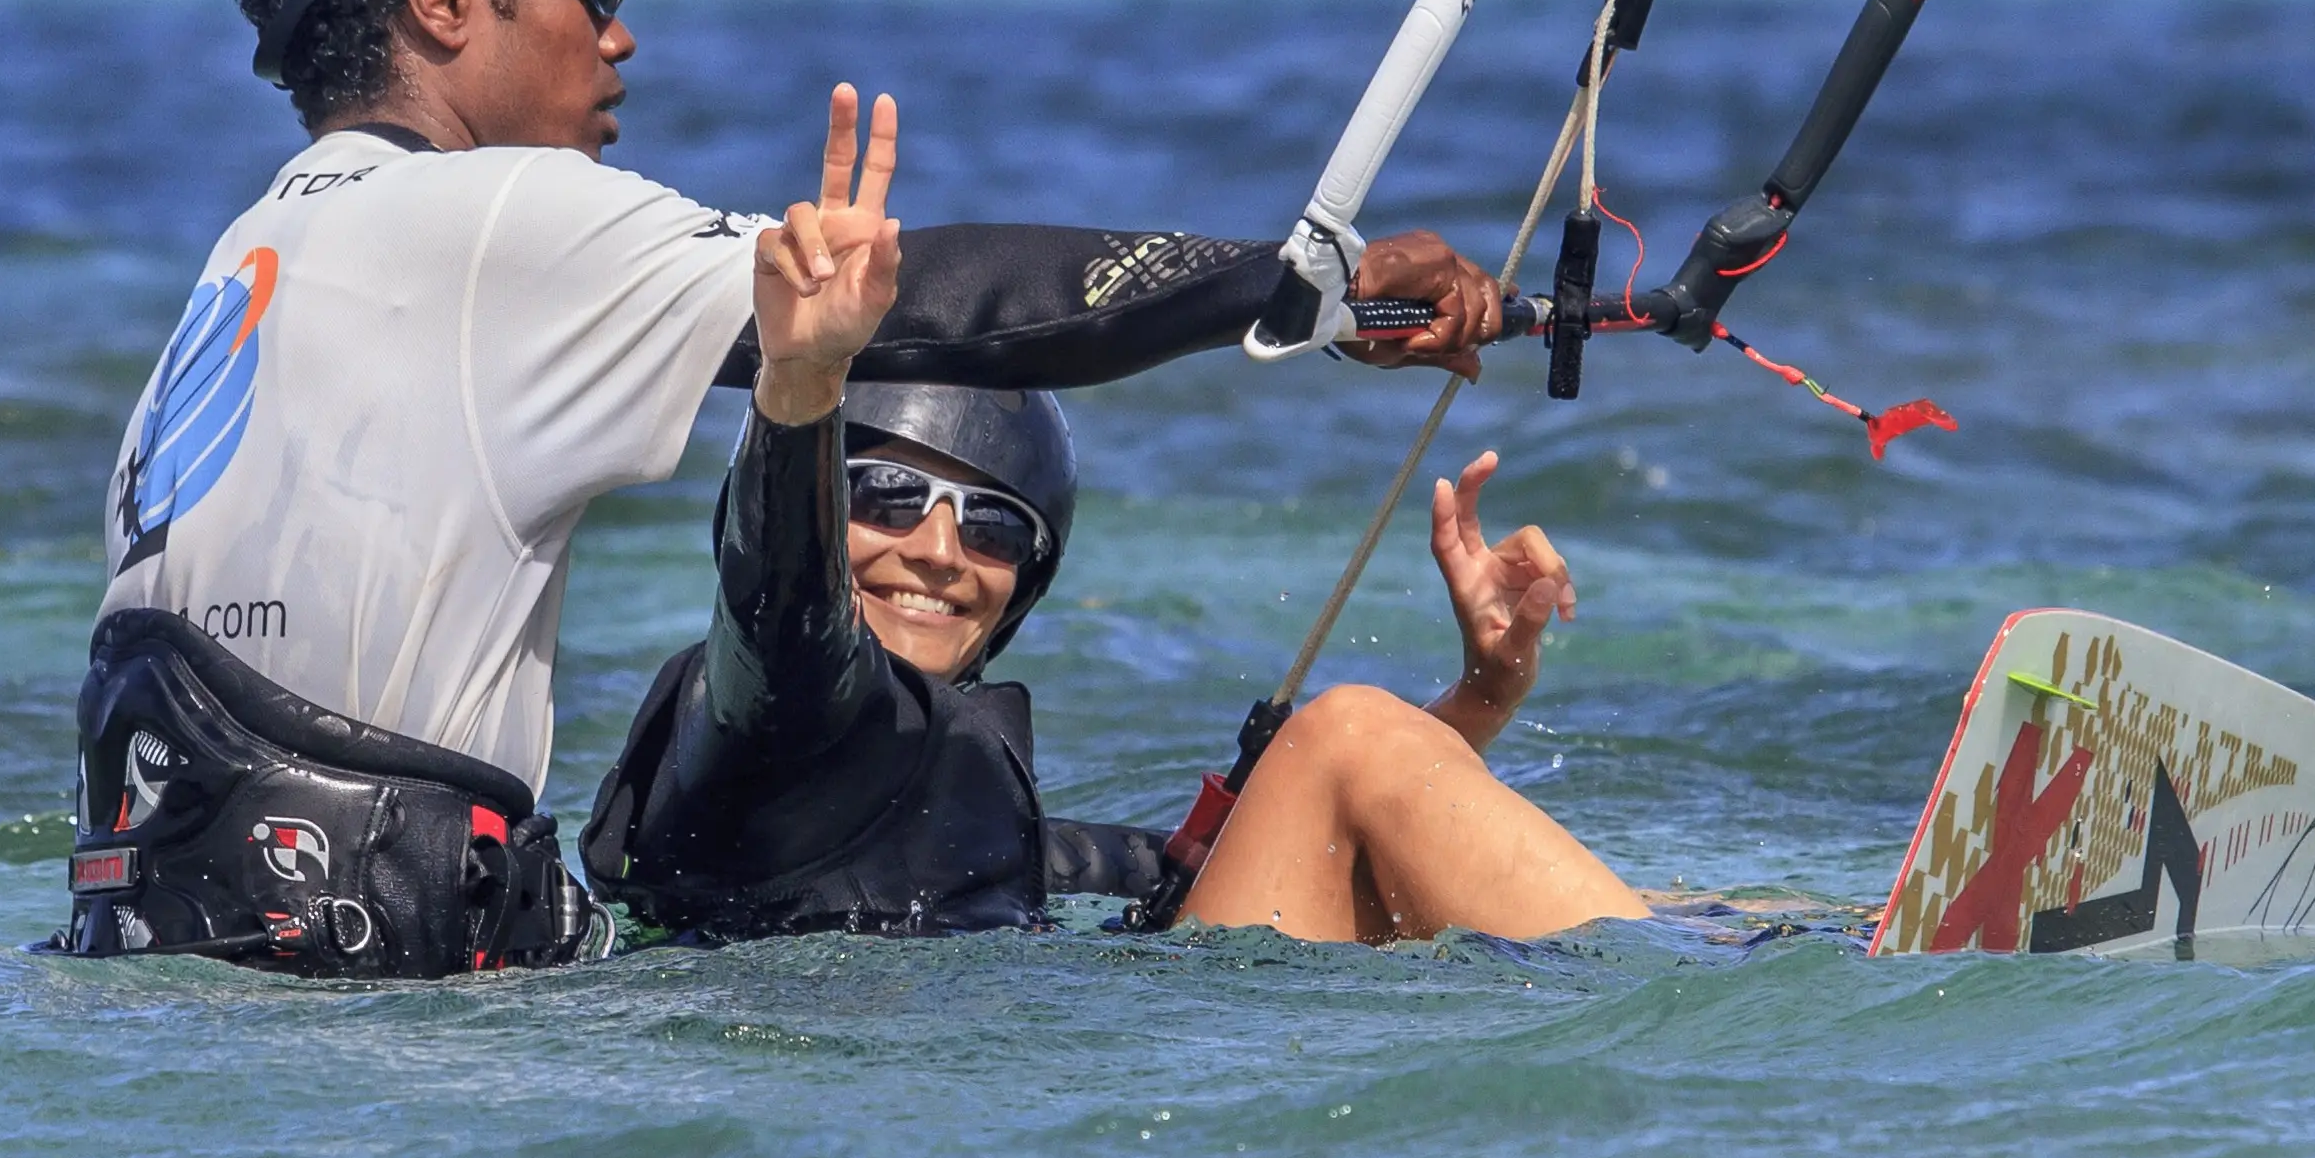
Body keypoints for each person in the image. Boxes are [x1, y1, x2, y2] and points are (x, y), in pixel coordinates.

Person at [51, 0, 1502, 977]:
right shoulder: (491, 216)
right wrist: (1298, 288)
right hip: (379, 1042)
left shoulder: (252, 258)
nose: (618, 32)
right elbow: (930, 303)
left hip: (177, 981)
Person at [582, 120, 1650, 945]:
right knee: (1346, 739)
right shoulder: (759, 710)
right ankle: (1693, 984)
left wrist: (1480, 698)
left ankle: (1719, 940)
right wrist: (802, 378)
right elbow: (782, 594)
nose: (942, 551)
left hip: (1031, 1079)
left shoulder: (969, 809)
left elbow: (1261, 849)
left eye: (995, 524)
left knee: (1354, 783)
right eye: (889, 499)